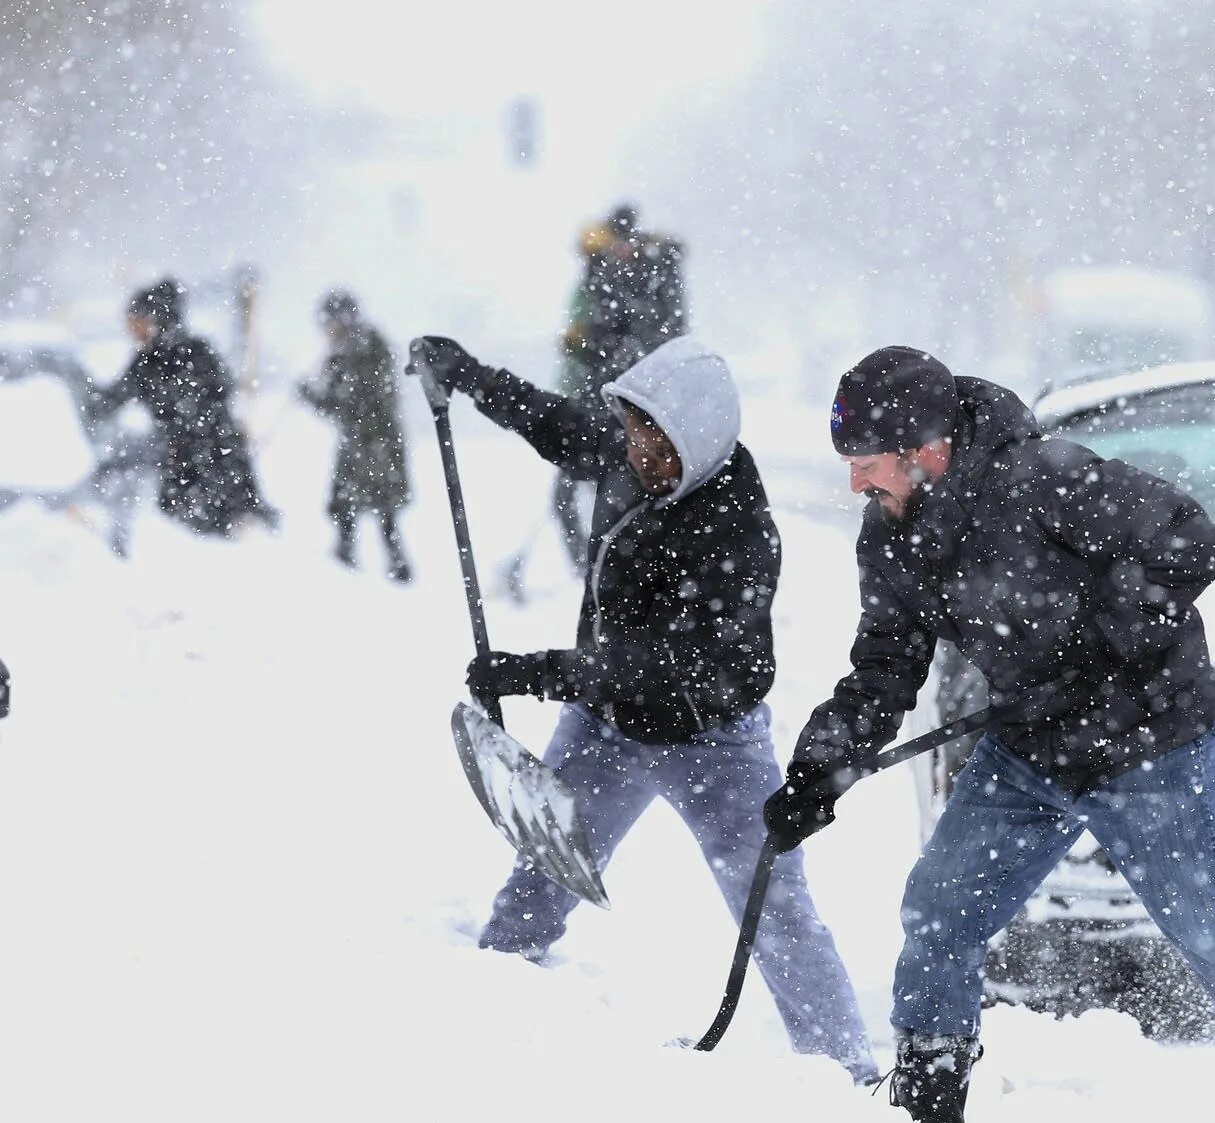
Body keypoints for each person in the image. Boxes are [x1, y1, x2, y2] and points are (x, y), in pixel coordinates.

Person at [763, 347, 1215, 1123]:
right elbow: (883, 668)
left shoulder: (1043, 478)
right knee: (940, 912)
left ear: (925, 449)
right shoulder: (892, 536)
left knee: (1214, 934)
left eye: (868, 464)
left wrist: (1114, 639)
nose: (857, 483)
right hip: (1031, 752)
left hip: (1147, 741)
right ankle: (931, 1102)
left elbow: (1190, 536)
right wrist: (818, 768)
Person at [406, 333, 877, 1083]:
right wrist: (465, 374)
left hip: (712, 742)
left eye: (652, 442)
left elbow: (677, 665)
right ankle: (492, 998)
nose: (635, 454)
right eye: (630, 434)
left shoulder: (739, 530)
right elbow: (552, 421)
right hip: (605, 725)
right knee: (546, 866)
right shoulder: (636, 455)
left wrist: (543, 672)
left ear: (695, 438)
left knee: (775, 906)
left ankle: (848, 1072)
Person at [548, 204, 690, 574]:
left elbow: (649, 339)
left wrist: (588, 346)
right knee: (570, 496)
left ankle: (608, 567)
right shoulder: (606, 278)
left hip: (627, 407)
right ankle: (590, 566)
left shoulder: (651, 278)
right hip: (598, 400)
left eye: (619, 246)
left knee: (623, 494)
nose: (616, 254)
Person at [88, 278, 275, 538]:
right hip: (186, 465)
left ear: (156, 320)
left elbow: (211, 402)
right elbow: (109, 402)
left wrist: (184, 434)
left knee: (212, 538)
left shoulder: (190, 355)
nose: (131, 329)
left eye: (137, 321)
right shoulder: (148, 361)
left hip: (210, 464)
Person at [298, 291, 412, 581]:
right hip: (362, 443)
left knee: (379, 511)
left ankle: (391, 569)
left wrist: (316, 395)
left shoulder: (366, 350)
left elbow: (354, 404)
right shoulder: (352, 351)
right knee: (353, 509)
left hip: (376, 443)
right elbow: (342, 405)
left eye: (329, 325)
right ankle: (348, 563)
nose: (326, 332)